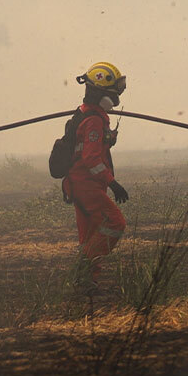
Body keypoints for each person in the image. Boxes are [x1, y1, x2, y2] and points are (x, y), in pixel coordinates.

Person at [62, 61, 129, 290]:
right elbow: (91, 159)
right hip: (85, 185)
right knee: (116, 223)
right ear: (102, 93)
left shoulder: (90, 116)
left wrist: (108, 139)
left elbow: (88, 148)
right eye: (114, 93)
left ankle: (86, 282)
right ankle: (83, 270)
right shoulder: (93, 120)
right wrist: (114, 183)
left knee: (90, 234)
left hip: (79, 184)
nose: (117, 98)